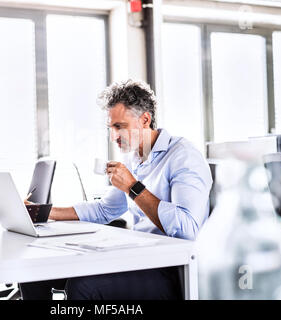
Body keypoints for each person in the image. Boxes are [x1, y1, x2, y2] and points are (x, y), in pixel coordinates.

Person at [20, 79, 213, 300]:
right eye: (110, 128)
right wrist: (41, 211)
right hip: (140, 258)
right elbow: (104, 210)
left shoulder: (183, 156)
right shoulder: (133, 157)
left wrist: (133, 187)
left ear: (145, 120)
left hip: (174, 270)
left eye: (119, 126)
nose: (113, 136)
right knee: (35, 272)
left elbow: (188, 230)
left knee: (84, 287)